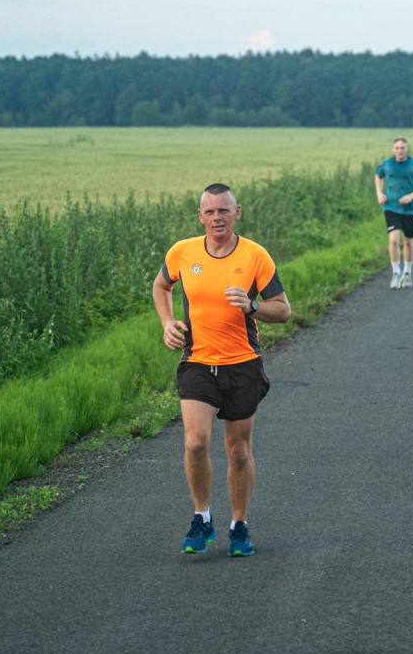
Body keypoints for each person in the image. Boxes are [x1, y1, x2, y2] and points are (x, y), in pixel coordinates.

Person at [152, 183, 292, 557]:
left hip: (242, 364)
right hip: (197, 360)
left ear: (237, 213)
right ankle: (202, 518)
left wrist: (252, 306)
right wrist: (167, 322)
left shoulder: (255, 256)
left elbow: (283, 309)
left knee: (238, 451)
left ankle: (239, 525)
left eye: (224, 211)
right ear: (200, 216)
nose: (217, 218)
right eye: (210, 212)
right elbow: (161, 285)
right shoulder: (183, 252)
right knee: (196, 442)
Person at [375, 137, 413, 289]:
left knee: (408, 241)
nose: (400, 150)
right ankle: (395, 273)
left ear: (407, 149)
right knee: (393, 240)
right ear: (393, 150)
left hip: (410, 208)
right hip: (390, 206)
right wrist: (379, 193)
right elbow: (378, 175)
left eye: (403, 148)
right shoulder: (387, 164)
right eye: (397, 148)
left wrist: (411, 196)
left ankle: (407, 273)